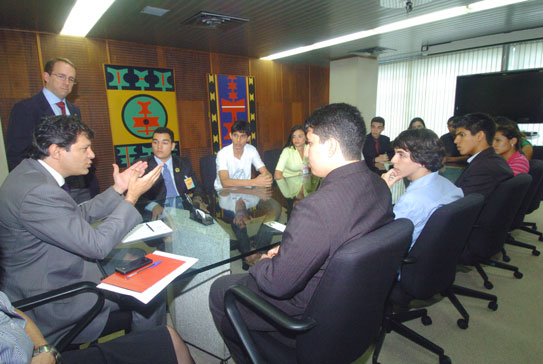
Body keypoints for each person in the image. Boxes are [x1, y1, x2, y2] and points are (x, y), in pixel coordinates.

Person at [209, 103, 394, 364]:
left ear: (330, 146)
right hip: (353, 309)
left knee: (221, 289)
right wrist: (288, 253)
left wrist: (264, 263)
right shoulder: (380, 186)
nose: (305, 151)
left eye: (309, 142)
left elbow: (277, 283)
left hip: (307, 313)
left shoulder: (314, 208)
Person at [0, 115, 165, 345]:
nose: (92, 155)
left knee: (138, 258)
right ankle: (143, 350)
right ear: (57, 150)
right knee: (151, 289)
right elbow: (97, 245)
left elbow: (75, 215)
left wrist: (119, 188)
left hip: (50, 273)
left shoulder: (31, 174)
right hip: (56, 300)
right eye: (85, 148)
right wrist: (131, 198)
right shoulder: (38, 191)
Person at [0, 291, 195, 364]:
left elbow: (13, 312)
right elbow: (95, 244)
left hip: (41, 354)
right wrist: (130, 200)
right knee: (148, 293)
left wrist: (44, 348)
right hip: (63, 296)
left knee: (168, 338)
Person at [6, 57, 98, 203]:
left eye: (71, 79)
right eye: (61, 76)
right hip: (47, 187)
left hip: (80, 184)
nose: (66, 83)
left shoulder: (74, 110)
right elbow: (16, 154)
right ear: (46, 76)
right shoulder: (26, 109)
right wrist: (35, 186)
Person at [382, 129, 463, 249]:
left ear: (421, 159)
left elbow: (382, 239)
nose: (393, 160)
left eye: (401, 154)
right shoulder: (449, 185)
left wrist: (381, 191)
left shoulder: (411, 200)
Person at [137, 127, 207, 219]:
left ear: (172, 146)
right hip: (157, 214)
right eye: (155, 142)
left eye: (164, 143)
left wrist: (197, 199)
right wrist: (153, 206)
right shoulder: (142, 165)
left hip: (185, 211)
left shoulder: (183, 163)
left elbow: (196, 187)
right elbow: (134, 194)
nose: (159, 146)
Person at [453, 113, 513, 198]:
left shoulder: (482, 168)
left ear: (479, 136)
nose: (456, 141)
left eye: (462, 135)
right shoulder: (495, 159)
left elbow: (461, 205)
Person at [213, 120, 272, 190]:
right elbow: (225, 182)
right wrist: (255, 182)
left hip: (246, 191)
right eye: (235, 135)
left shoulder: (252, 150)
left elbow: (266, 172)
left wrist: (267, 178)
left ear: (248, 138)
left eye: (243, 136)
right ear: (230, 136)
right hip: (224, 192)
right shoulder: (222, 154)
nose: (238, 140)